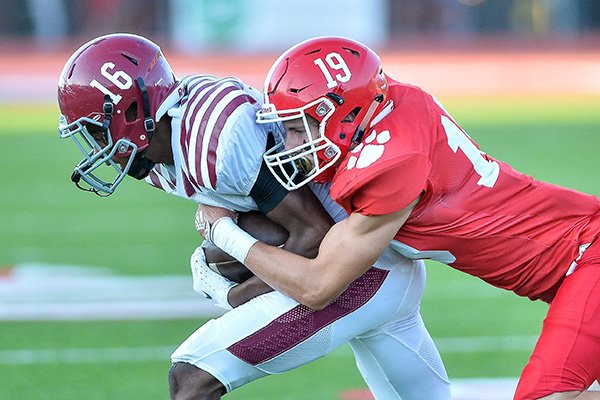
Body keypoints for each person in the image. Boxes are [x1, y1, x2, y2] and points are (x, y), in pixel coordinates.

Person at [197, 36, 600, 400]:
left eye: (299, 128)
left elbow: (318, 286)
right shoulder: (391, 104)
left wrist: (225, 233)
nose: (291, 144)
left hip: (588, 256)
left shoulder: (391, 163)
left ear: (339, 115)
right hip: (575, 261)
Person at [56, 33, 450, 399]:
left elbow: (313, 235)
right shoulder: (164, 146)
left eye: (97, 130)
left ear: (130, 113)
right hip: (380, 266)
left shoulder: (215, 141)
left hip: (358, 273)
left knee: (191, 377)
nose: (95, 147)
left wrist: (233, 284)